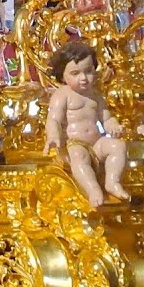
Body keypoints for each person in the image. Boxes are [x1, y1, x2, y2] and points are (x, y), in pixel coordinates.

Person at [44, 41, 129, 207]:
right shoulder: (63, 95)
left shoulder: (95, 96)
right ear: (62, 76)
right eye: (75, 73)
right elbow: (53, 118)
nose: (83, 78)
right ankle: (92, 189)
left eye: (88, 71)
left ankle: (112, 181)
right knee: (79, 157)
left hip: (97, 142)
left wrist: (113, 126)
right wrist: (53, 136)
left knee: (118, 146)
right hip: (75, 143)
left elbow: (106, 118)